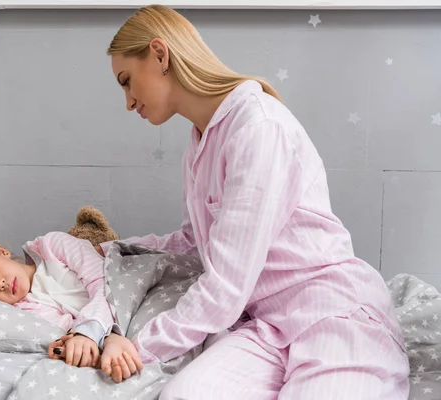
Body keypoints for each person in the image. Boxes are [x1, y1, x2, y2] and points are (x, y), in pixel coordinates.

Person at [95, 4, 409, 399]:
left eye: (126, 81)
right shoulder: (199, 143)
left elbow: (225, 286)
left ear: (160, 55)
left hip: (329, 312)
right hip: (268, 327)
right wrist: (114, 249)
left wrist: (138, 348)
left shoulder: (258, 126)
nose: (127, 101)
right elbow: (195, 242)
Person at [0, 231, 143, 383]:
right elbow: (71, 329)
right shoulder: (26, 312)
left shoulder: (52, 247)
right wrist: (109, 339)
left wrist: (92, 332)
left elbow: (103, 281)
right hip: (121, 324)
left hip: (133, 287)